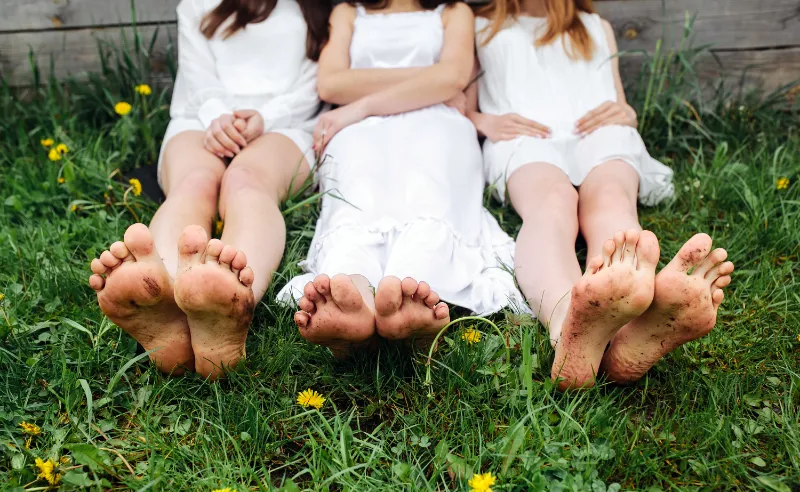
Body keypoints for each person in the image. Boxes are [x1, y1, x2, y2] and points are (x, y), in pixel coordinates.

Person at [468, 0, 735, 389]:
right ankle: (569, 326)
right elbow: (458, 104)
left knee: (610, 198)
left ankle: (624, 328)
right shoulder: (478, 24)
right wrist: (483, 120)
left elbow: (622, 103)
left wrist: (626, 115)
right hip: (523, 138)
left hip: (596, 133)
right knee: (552, 202)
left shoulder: (594, 25)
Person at [89, 0, 331, 379]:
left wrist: (265, 118)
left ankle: (229, 296)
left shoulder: (319, 7)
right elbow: (198, 77)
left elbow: (316, 82)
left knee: (248, 181)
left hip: (285, 124)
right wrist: (218, 117)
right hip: (201, 119)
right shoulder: (198, 4)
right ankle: (164, 293)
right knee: (193, 184)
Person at [277, 0, 527, 356]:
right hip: (360, 127)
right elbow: (331, 83)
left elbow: (454, 76)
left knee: (428, 182)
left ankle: (414, 289)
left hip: (433, 120)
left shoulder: (453, 11)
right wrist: (430, 80)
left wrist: (363, 101)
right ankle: (352, 295)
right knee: (359, 188)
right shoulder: (348, 12)